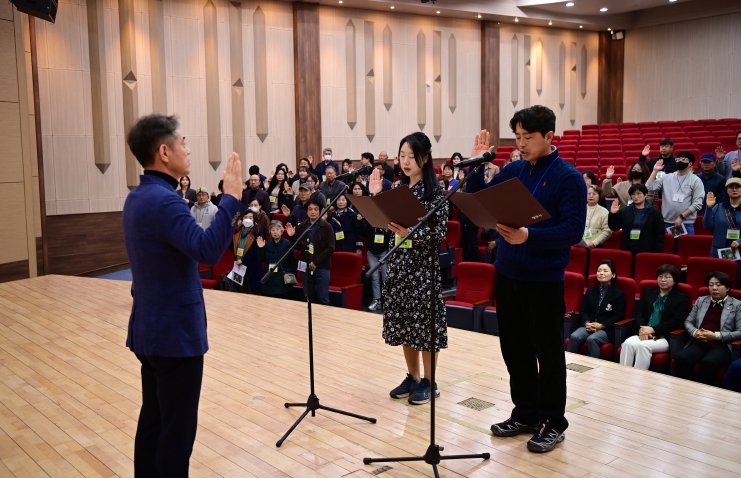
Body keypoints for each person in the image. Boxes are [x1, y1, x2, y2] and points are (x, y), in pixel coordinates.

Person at [123, 114, 244, 475]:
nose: (188, 151)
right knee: (176, 431)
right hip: (174, 335)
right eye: (183, 144)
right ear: (164, 152)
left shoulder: (137, 197)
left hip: (149, 330)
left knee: (154, 421)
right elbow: (206, 250)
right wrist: (231, 199)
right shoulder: (166, 201)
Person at [467, 105, 587, 453]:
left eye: (528, 137)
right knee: (515, 349)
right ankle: (526, 413)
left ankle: (553, 421)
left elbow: (573, 230)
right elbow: (479, 202)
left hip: (544, 279)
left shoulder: (568, 177)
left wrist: (529, 236)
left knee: (548, 354)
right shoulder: (515, 169)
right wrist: (476, 165)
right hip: (508, 273)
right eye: (517, 137)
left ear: (549, 136)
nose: (520, 144)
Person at [368, 131, 449, 406]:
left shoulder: (435, 194)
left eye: (411, 156)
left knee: (425, 327)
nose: (405, 161)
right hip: (399, 267)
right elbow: (385, 226)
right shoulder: (397, 190)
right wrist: (376, 198)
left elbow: (438, 233)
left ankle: (429, 381)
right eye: (402, 156)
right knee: (405, 325)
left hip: (422, 271)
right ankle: (413, 377)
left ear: (424, 159)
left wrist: (410, 234)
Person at [674, 271, 741, 385]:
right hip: (699, 342)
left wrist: (716, 336)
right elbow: (688, 321)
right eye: (711, 285)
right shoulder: (701, 300)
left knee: (707, 363)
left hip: (721, 346)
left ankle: (703, 393)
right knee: (680, 358)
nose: (714, 288)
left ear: (728, 287)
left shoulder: (737, 305)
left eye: (718, 285)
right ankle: (687, 388)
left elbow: (740, 331)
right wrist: (695, 332)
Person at [620, 265, 688, 369]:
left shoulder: (681, 298)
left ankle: (639, 377)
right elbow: (638, 313)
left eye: (667, 277)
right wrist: (643, 330)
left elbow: (676, 322)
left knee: (643, 346)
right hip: (643, 333)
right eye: (660, 276)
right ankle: (622, 374)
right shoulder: (648, 292)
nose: (663, 280)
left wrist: (653, 329)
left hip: (664, 337)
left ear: (674, 280)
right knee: (627, 343)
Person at [567, 260, 626, 358]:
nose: (601, 273)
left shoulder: (619, 294)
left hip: (606, 329)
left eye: (605, 271)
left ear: (613, 275)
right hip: (589, 326)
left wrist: (601, 325)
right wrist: (587, 323)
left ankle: (593, 367)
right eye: (599, 270)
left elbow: (618, 316)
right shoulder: (590, 291)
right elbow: (584, 310)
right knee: (574, 336)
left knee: (592, 339)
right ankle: (568, 364)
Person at [285, 197, 335, 305]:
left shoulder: (327, 227)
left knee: (323, 298)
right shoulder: (302, 226)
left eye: (315, 209)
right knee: (308, 297)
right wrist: (292, 236)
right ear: (307, 211)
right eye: (310, 209)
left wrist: (315, 262)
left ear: (320, 211)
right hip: (306, 267)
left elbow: (330, 248)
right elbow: (297, 247)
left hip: (322, 268)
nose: (313, 212)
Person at [646, 151, 704, 235]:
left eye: (683, 159)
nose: (680, 161)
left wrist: (681, 216)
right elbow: (649, 187)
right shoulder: (667, 177)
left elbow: (697, 203)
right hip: (666, 222)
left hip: (685, 223)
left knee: (684, 244)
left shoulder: (696, 180)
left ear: (690, 163)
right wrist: (655, 170)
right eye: (678, 159)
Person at [607, 184, 665, 255]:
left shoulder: (654, 213)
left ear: (645, 195)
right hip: (628, 248)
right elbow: (614, 227)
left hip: (647, 249)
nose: (636, 196)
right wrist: (613, 214)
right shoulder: (625, 211)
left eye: (639, 193)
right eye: (633, 194)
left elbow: (659, 235)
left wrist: (657, 253)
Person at [703, 178, 741, 277]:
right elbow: (707, 225)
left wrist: (739, 241)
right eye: (731, 187)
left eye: (737, 187)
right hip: (719, 249)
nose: (734, 189)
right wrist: (709, 207)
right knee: (718, 278)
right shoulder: (718, 207)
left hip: (739, 250)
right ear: (727, 190)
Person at [358, 206, 391, 312]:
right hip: (371, 253)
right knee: (374, 277)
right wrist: (361, 220)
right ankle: (377, 300)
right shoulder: (369, 219)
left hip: (385, 252)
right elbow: (363, 232)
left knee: (386, 278)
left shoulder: (387, 220)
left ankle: (387, 301)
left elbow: (390, 236)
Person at [256, 220, 297, 299]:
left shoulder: (287, 244)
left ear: (281, 231)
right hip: (270, 280)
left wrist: (292, 276)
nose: (275, 232)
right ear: (270, 232)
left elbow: (293, 261)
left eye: (277, 229)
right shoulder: (267, 244)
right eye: (273, 230)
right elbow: (260, 259)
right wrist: (260, 248)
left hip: (283, 280)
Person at [232, 210, 263, 293]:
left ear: (254, 219)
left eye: (250, 217)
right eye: (245, 217)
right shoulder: (237, 231)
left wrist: (243, 260)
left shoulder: (257, 232)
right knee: (241, 292)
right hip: (239, 266)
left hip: (251, 266)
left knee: (253, 292)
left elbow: (255, 250)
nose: (247, 219)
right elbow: (232, 247)